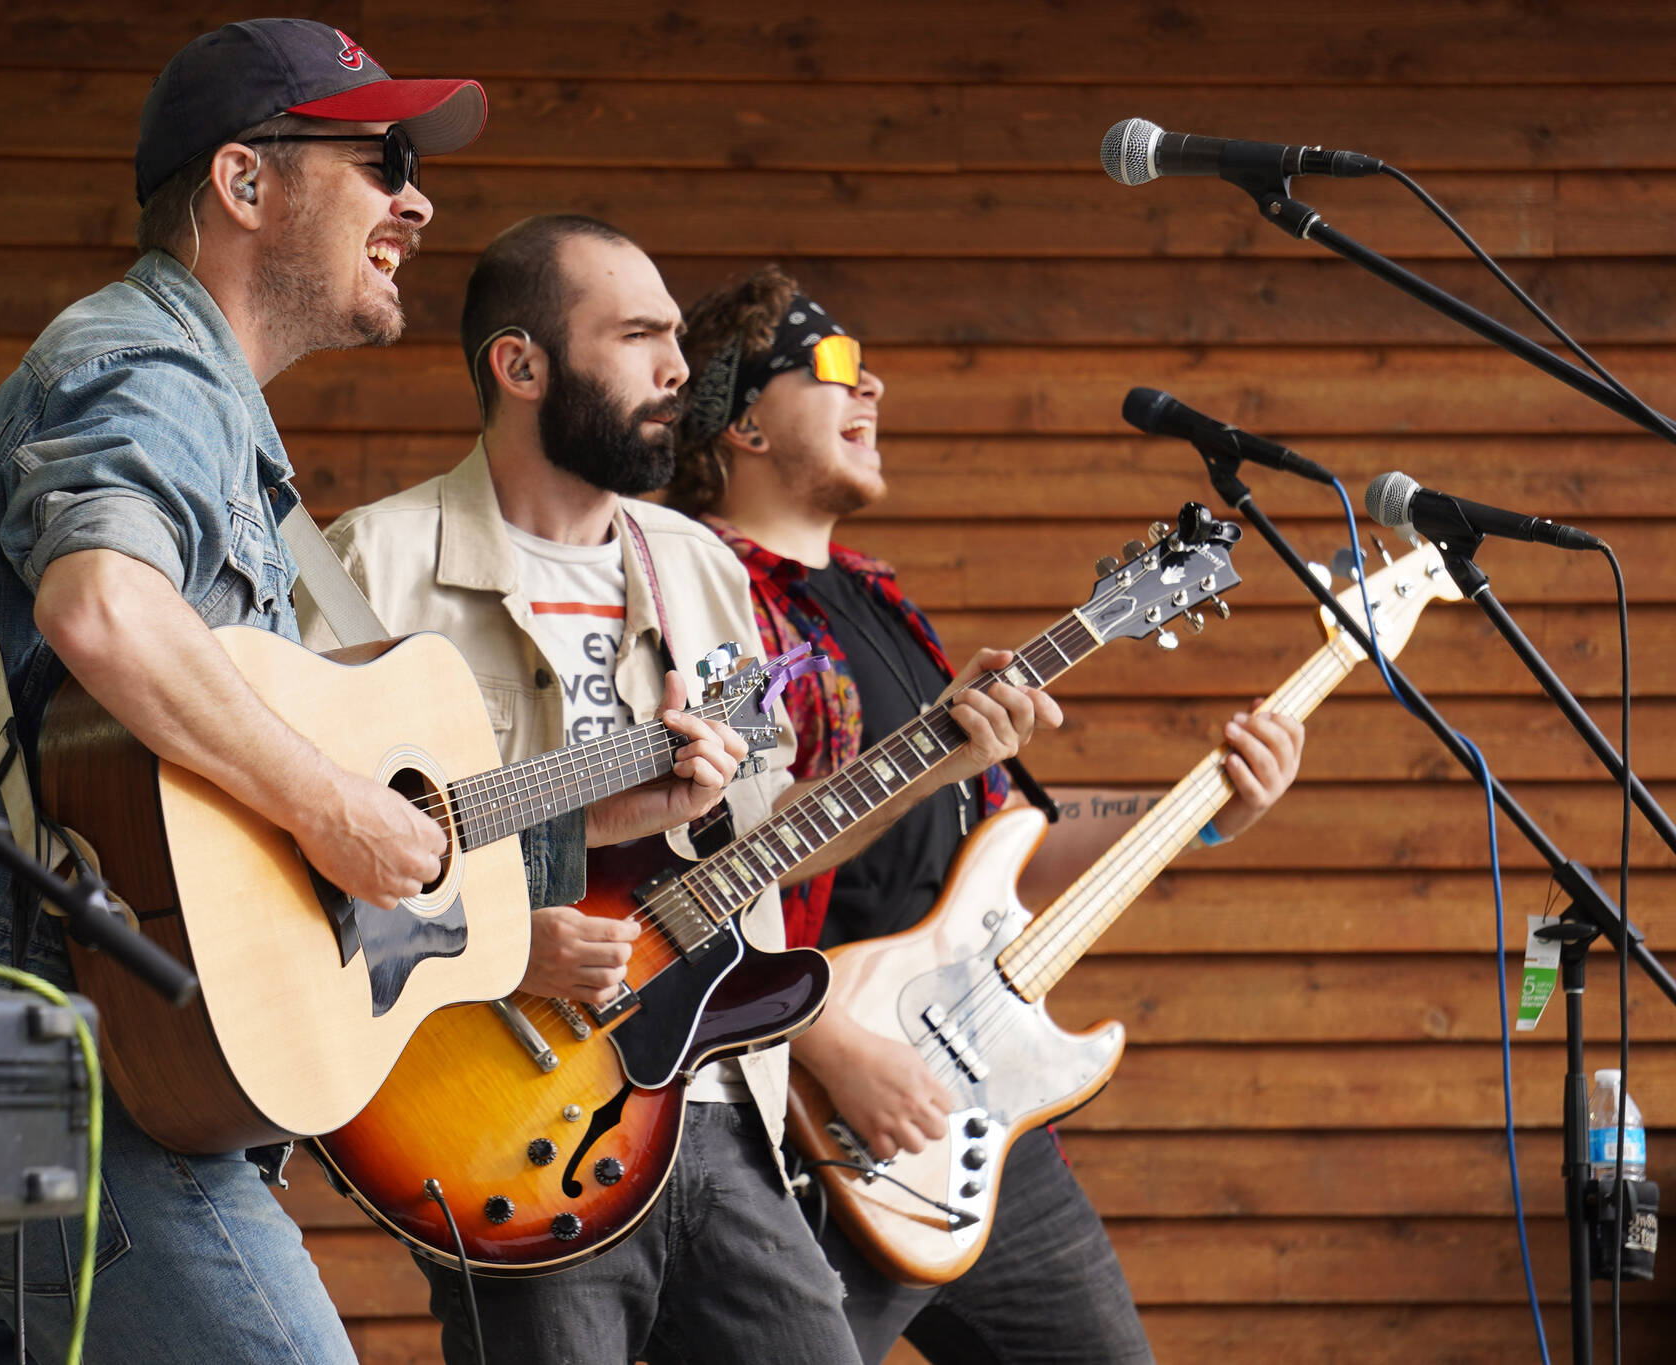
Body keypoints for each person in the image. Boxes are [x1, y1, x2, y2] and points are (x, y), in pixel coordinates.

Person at [0, 20, 489, 1363]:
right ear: (244, 184)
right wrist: (336, 807)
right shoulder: (149, 363)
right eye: (382, 157)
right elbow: (103, 607)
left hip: (48, 1051)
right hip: (75, 1060)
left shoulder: (218, 417)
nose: (419, 197)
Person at [312, 215, 1059, 1365]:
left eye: (677, 339)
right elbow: (298, 868)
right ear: (520, 366)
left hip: (717, 1101)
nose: (676, 370)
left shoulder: (700, 569)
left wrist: (946, 757)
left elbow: (760, 846)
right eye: (638, 337)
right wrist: (508, 943)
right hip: (508, 1121)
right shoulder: (371, 567)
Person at [669, 265, 1307, 1365]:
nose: (869, 382)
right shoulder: (703, 599)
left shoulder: (879, 603)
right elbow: (679, 877)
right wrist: (831, 1051)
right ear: (743, 423)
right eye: (829, 363)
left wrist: (1206, 808)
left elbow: (1011, 838)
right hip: (806, 1114)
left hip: (974, 1109)